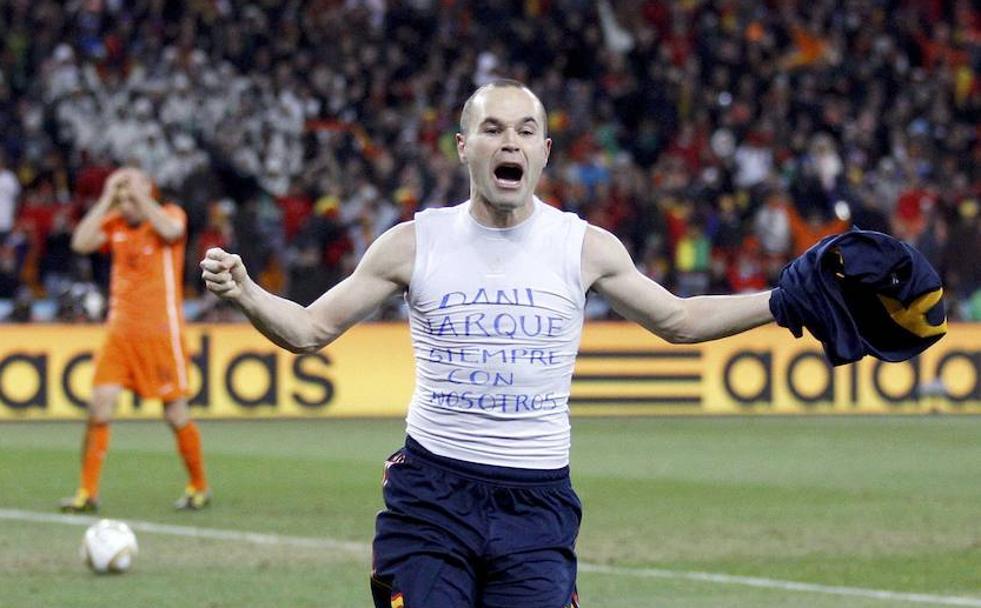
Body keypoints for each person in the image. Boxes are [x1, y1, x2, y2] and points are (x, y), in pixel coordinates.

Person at [201, 80, 773, 607]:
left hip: (537, 502)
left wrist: (781, 302)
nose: (511, 142)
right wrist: (248, 294)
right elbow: (308, 330)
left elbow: (680, 319)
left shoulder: (584, 247)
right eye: (493, 129)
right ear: (462, 146)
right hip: (432, 497)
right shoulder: (412, 243)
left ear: (545, 152)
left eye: (526, 130)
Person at [61, 167, 210, 513]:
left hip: (160, 332)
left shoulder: (168, 216)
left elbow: (173, 231)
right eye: (122, 197)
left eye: (132, 196)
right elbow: (80, 242)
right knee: (99, 406)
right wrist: (106, 197)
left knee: (175, 413)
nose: (126, 204)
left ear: (148, 192)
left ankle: (198, 487)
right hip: (120, 332)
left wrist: (138, 192)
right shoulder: (115, 223)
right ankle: (87, 494)